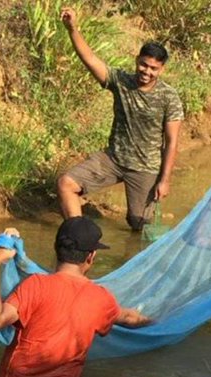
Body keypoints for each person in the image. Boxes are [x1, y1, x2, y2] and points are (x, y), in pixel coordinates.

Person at [0, 217, 150, 377]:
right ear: (91, 256)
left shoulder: (35, 285)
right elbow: (128, 318)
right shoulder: (101, 299)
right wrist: (156, 322)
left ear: (56, 249)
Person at [57, 8, 184, 231]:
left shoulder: (169, 96)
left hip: (146, 168)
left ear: (161, 69)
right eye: (143, 64)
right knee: (66, 184)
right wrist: (72, 29)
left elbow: (172, 142)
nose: (146, 71)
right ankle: (78, 240)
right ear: (137, 60)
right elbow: (89, 59)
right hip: (113, 159)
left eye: (153, 68)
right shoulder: (121, 81)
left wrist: (164, 180)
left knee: (139, 225)